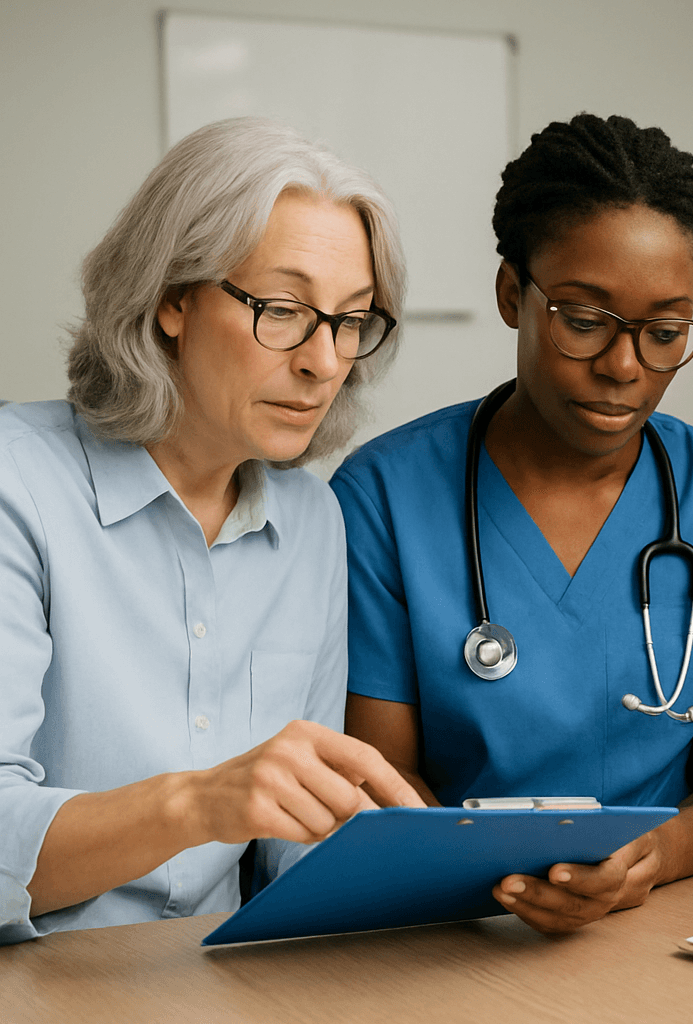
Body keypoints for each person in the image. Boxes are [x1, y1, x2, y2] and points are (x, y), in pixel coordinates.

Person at [335, 113, 693, 935]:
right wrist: (489, 876)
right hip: (444, 922)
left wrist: (655, 858)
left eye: (666, 331)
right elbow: (383, 776)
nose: (624, 366)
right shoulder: (383, 496)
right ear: (510, 294)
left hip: (670, 913)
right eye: (585, 319)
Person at [0, 117, 425, 945]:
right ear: (170, 300)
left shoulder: (312, 520)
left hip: (227, 978)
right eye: (283, 310)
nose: (324, 362)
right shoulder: (16, 484)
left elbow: (293, 861)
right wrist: (200, 802)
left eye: (350, 320)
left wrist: (451, 865)